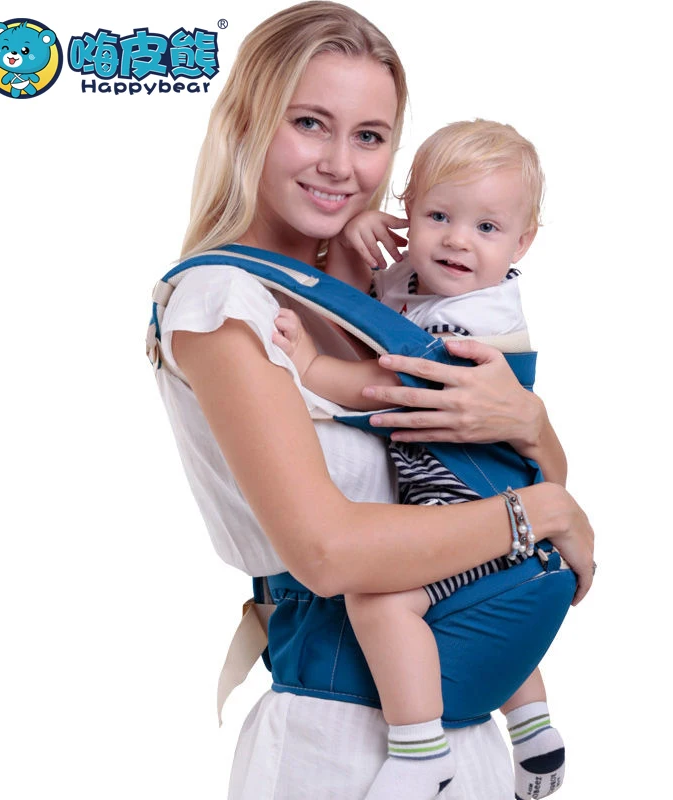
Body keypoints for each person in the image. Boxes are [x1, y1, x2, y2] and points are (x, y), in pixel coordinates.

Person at [152, 3, 594, 798]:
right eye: (310, 123)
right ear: (247, 122)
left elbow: (499, 471)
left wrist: (532, 424)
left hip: (467, 725)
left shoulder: (399, 290)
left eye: (368, 136)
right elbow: (328, 552)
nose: (340, 165)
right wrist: (548, 513)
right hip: (338, 740)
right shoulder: (224, 302)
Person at [273, 119, 568, 799]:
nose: (458, 240)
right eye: (438, 216)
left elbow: (390, 381)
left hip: (471, 510)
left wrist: (312, 366)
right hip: (497, 510)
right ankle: (533, 727)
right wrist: (359, 235)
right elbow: (377, 299)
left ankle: (419, 751)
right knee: (481, 609)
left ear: (523, 242)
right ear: (408, 211)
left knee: (379, 599)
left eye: (486, 228)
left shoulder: (473, 323)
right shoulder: (438, 282)